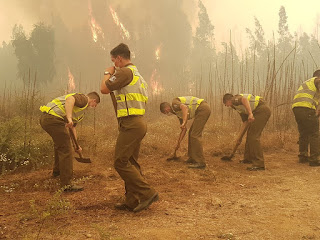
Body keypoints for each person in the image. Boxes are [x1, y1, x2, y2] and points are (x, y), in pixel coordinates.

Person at [100, 43, 158, 212]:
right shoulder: (137, 74)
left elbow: (104, 88)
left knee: (120, 162)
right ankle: (132, 200)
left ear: (119, 58)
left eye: (114, 61)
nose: (113, 65)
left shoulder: (124, 72)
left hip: (131, 124)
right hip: (137, 122)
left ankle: (148, 193)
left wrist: (107, 73)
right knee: (131, 161)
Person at [39, 91, 100, 191]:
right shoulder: (84, 99)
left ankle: (58, 172)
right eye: (95, 104)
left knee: (61, 144)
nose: (94, 107)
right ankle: (67, 185)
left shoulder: (79, 111)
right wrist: (69, 117)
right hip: (53, 118)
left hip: (46, 118)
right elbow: (70, 99)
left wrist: (76, 146)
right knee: (65, 149)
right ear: (93, 100)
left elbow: (72, 128)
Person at [223, 93, 271, 171]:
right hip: (257, 111)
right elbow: (245, 122)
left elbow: (244, 99)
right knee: (250, 135)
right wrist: (239, 137)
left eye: (226, 104)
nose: (227, 106)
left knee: (253, 137)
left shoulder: (234, 100)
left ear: (228, 100)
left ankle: (259, 164)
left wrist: (250, 113)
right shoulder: (239, 108)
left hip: (262, 110)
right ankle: (248, 159)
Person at [160, 96, 211, 169]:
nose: (166, 113)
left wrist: (184, 122)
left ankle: (200, 162)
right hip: (200, 110)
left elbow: (185, 108)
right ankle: (193, 157)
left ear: (167, 107)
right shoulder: (178, 113)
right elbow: (184, 129)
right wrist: (178, 143)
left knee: (195, 135)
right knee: (191, 133)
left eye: (165, 111)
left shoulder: (174, 103)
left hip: (203, 108)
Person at [292, 70, 320, 166]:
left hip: (297, 109)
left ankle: (303, 156)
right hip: (307, 109)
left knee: (304, 133)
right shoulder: (317, 80)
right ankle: (314, 159)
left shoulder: (307, 83)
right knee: (314, 133)